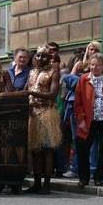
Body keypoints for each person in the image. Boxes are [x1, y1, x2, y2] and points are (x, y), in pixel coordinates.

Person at [74, 53, 103, 187]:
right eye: (92, 64)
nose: (95, 67)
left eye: (98, 65)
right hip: (89, 119)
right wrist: (81, 118)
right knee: (82, 146)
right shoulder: (83, 79)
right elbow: (78, 102)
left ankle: (99, 176)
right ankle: (83, 177)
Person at [26, 45, 61, 193]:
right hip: (33, 114)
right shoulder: (32, 72)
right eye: (38, 56)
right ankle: (37, 183)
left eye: (44, 56)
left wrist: (33, 94)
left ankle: (46, 184)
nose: (40, 58)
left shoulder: (53, 73)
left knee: (47, 149)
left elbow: (53, 94)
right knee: (35, 150)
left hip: (47, 113)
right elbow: (28, 91)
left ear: (49, 58)